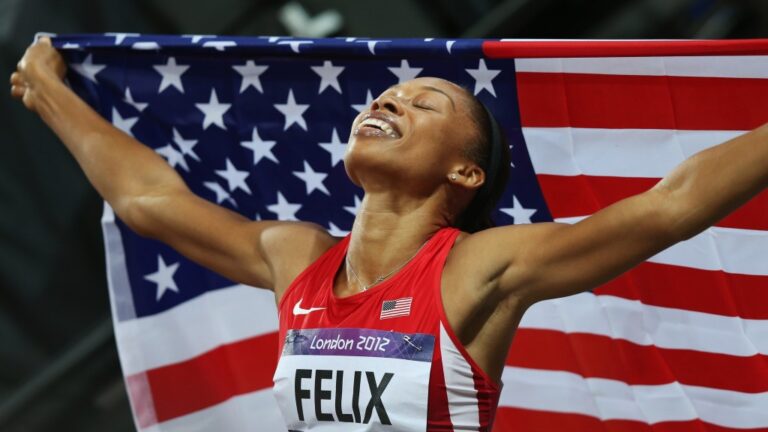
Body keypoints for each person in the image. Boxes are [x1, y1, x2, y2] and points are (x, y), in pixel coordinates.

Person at [10, 38, 768, 431]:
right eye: (388, 95)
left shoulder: (479, 270)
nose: (391, 101)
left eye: (424, 105)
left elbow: (671, 206)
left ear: (465, 175)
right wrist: (49, 95)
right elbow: (149, 199)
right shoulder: (296, 257)